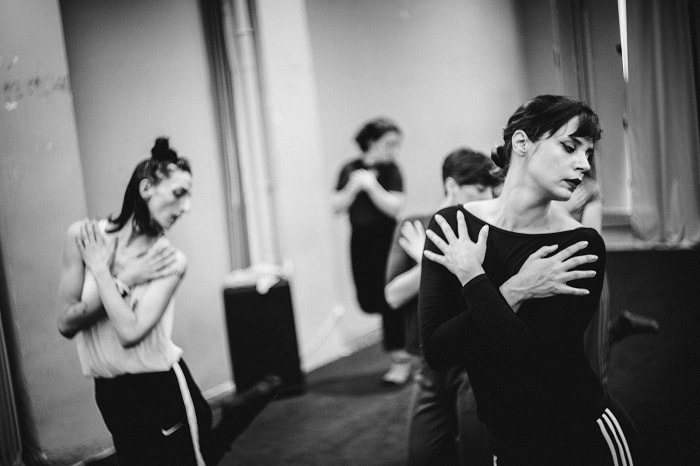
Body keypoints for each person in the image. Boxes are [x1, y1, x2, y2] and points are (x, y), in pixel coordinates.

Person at [419, 95, 642, 465]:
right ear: (522, 142)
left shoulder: (579, 245)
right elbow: (438, 352)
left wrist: (473, 277)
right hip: (507, 446)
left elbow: (534, 366)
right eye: (569, 147)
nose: (584, 164)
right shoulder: (452, 228)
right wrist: (514, 290)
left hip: (583, 436)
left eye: (588, 153)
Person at [57, 138, 276, 465]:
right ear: (146, 188)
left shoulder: (169, 260)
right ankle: (236, 415)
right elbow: (65, 324)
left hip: (159, 388)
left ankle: (234, 417)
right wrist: (126, 279)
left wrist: (103, 273)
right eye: (178, 193)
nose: (186, 207)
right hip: (109, 391)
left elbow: (130, 333)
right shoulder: (83, 237)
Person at [384, 148, 499, 464]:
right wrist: (431, 260)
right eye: (479, 188)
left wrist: (428, 256)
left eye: (491, 189)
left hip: (474, 362)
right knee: (424, 456)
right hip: (430, 364)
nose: (488, 196)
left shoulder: (485, 229)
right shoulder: (414, 226)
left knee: (477, 454)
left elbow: (486, 293)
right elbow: (393, 295)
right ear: (451, 186)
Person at [332, 118, 408, 384]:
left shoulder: (392, 171)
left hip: (387, 241)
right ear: (371, 142)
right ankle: (406, 352)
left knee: (391, 300)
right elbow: (336, 205)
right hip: (360, 242)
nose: (394, 150)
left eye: (397, 144)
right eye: (389, 144)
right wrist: (354, 186)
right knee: (369, 300)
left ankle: (400, 360)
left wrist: (371, 186)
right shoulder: (349, 169)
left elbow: (395, 206)